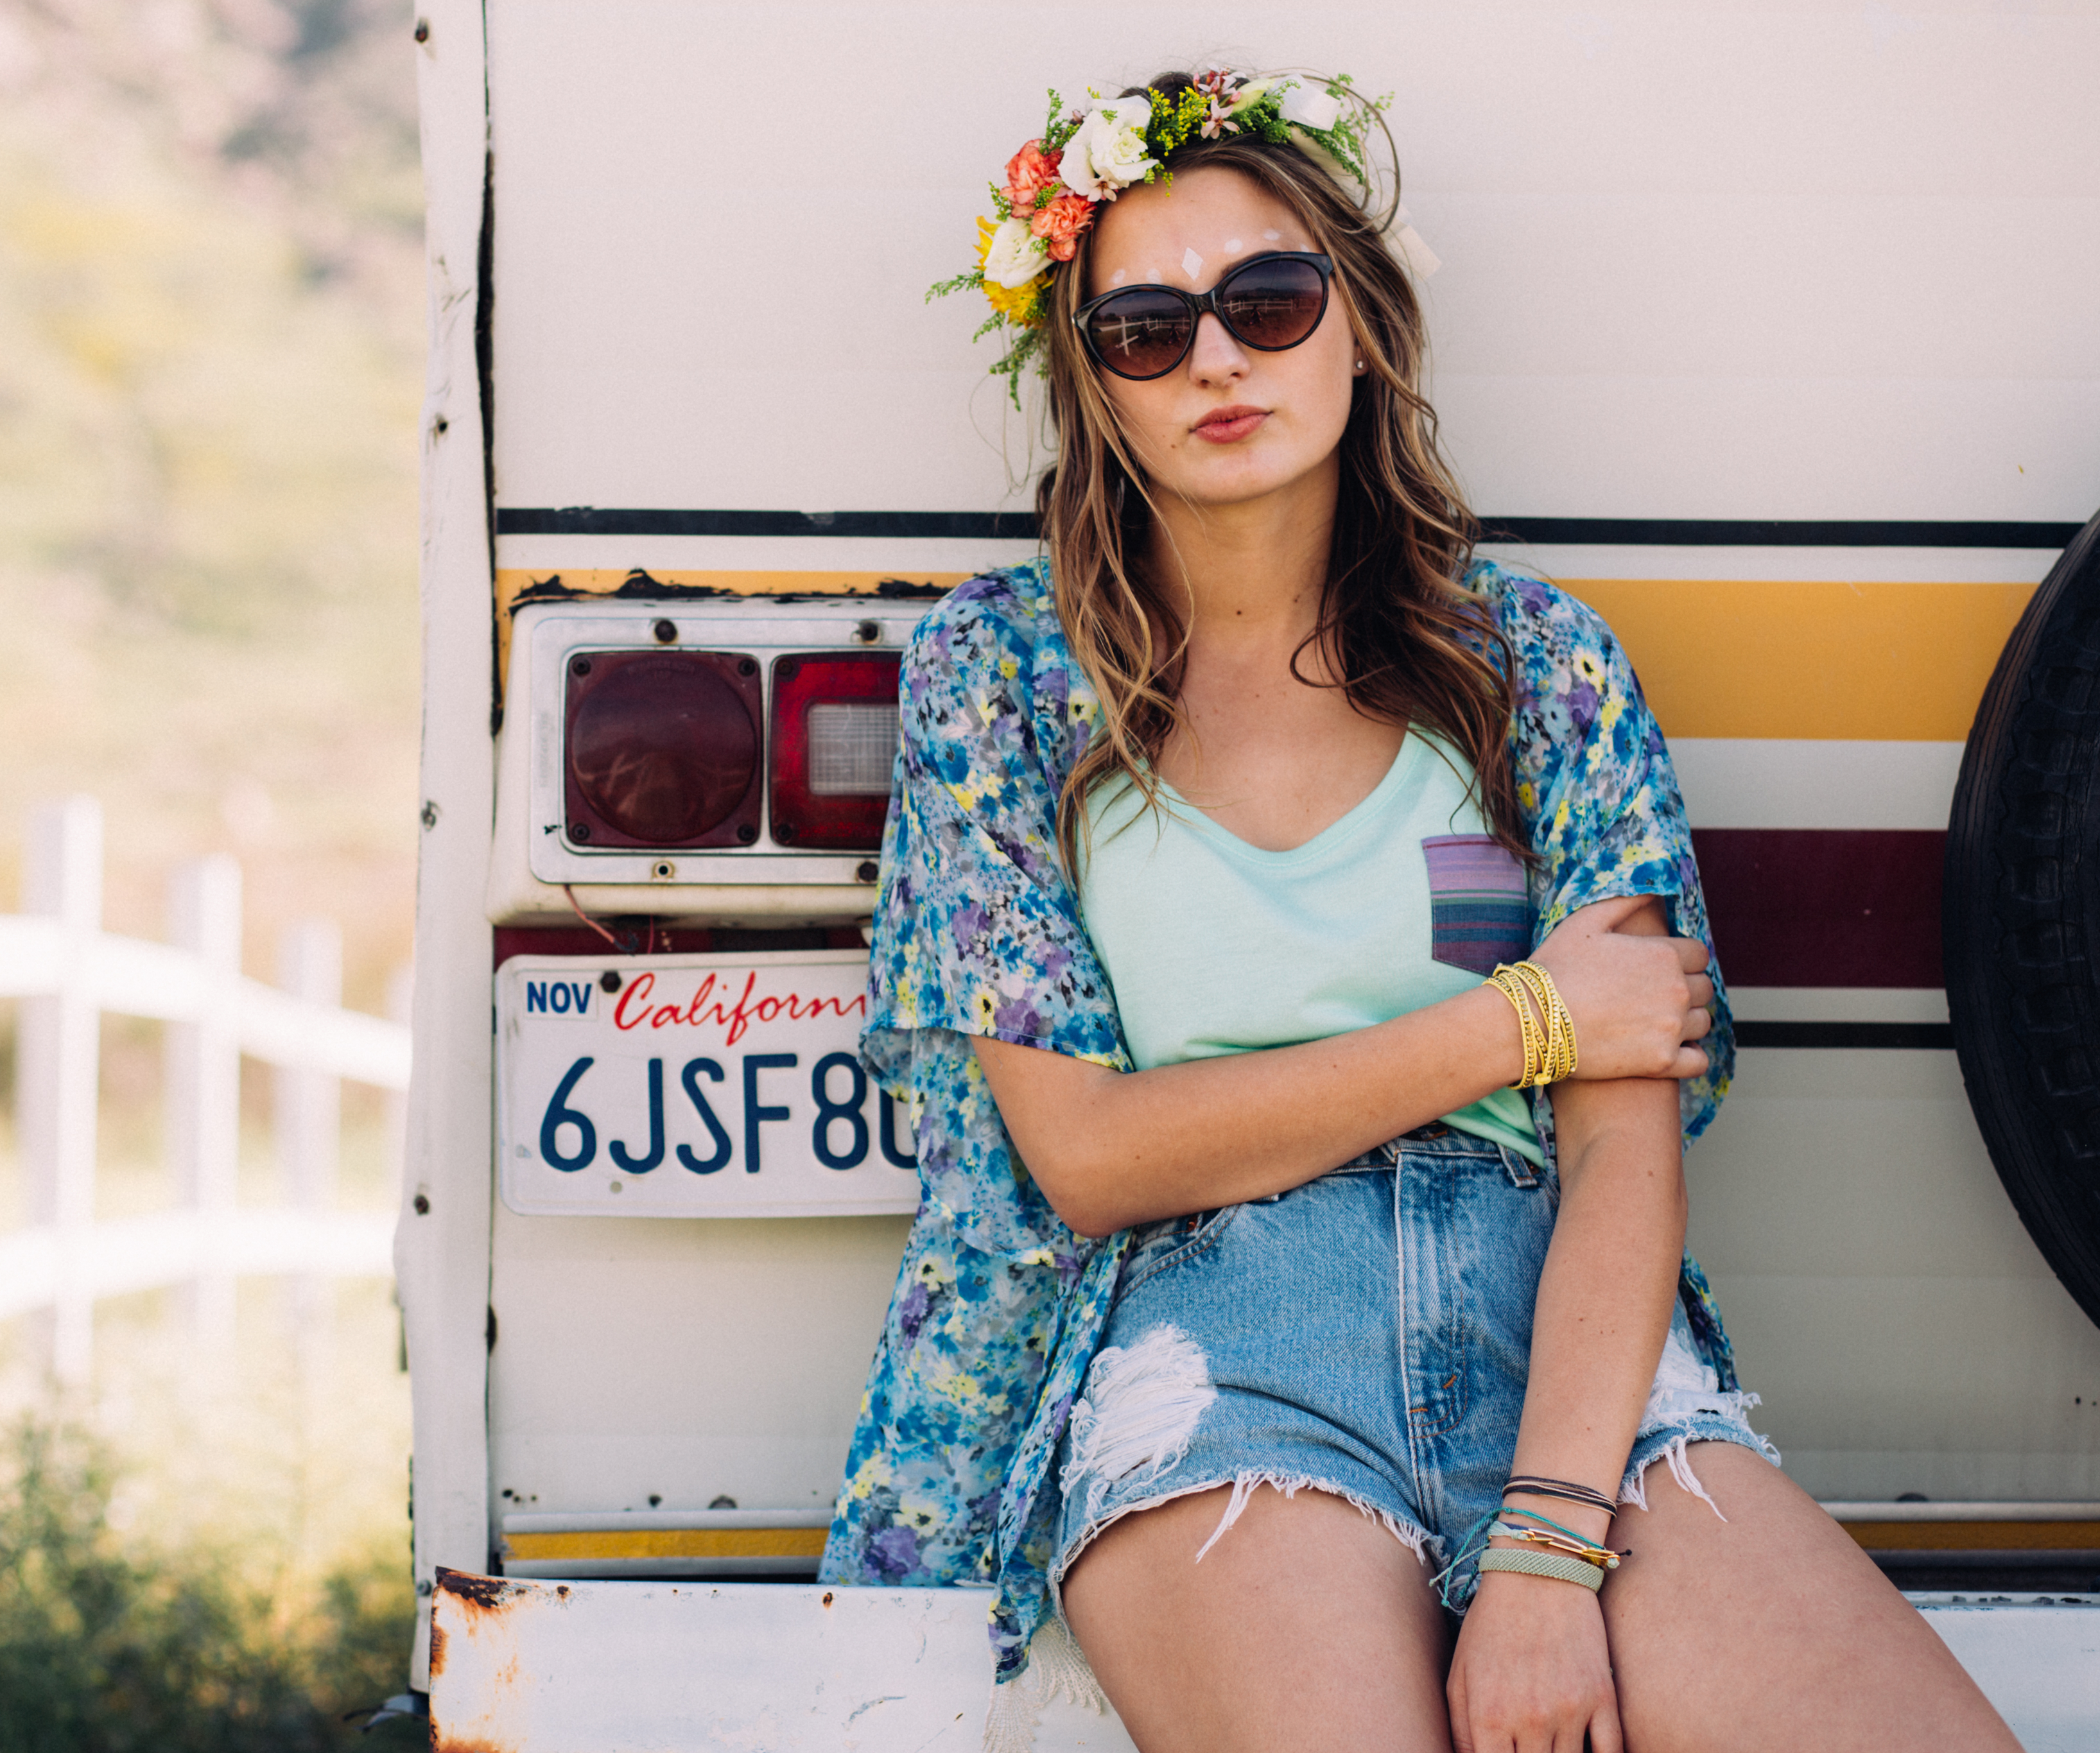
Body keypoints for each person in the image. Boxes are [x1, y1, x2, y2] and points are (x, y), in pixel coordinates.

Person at [820, 66, 2018, 1753]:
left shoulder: (1533, 666)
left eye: (1268, 299)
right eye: (1146, 331)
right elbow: (1087, 1152)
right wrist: (1522, 1018)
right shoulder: (1007, 679)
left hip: (1565, 1336)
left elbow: (1616, 1140)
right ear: (1094, 390)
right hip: (1215, 1345)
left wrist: (1546, 1554)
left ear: (1360, 326)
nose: (1218, 358)